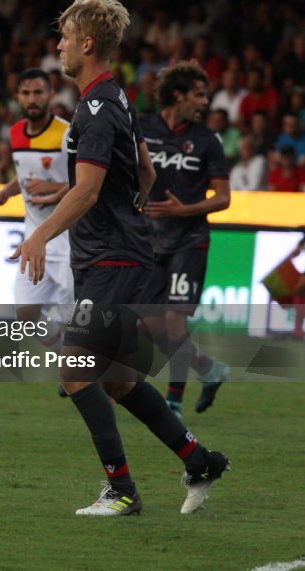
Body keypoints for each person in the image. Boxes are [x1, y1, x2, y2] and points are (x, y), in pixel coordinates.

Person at [12, 0, 229, 517]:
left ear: (87, 43)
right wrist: (132, 202)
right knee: (114, 378)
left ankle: (122, 491)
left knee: (75, 371)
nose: (58, 45)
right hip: (109, 255)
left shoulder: (94, 108)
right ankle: (198, 460)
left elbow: (86, 190)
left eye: (64, 36)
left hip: (112, 257)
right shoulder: (115, 99)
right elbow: (146, 171)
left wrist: (40, 236)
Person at [141, 62, 232, 418]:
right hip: (148, 239)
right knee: (150, 325)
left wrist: (185, 210)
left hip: (188, 240)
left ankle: (173, 402)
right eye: (199, 94)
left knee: (175, 320)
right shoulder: (144, 128)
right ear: (177, 95)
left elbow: (223, 198)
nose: (205, 102)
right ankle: (209, 369)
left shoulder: (207, 141)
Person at [0, 68, 72, 335]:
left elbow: (87, 182)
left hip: (68, 238)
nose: (32, 99)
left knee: (75, 317)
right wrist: (8, 190)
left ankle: (81, 370)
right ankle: (70, 360)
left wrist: (54, 187)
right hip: (34, 238)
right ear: (18, 97)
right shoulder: (15, 133)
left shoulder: (66, 133)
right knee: (26, 315)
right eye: (26, 93)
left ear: (51, 94)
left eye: (38, 92)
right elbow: (25, 175)